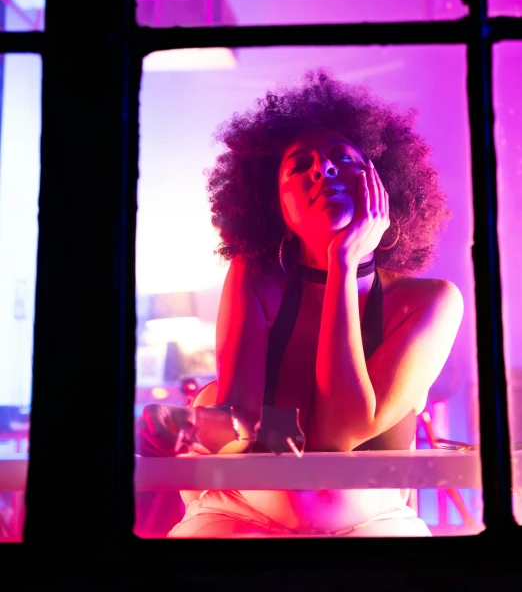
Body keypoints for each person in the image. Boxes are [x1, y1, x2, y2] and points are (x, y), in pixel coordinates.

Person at [136, 71, 463, 537]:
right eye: (299, 165)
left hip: (371, 518)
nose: (322, 169)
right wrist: (185, 426)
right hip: (239, 508)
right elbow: (241, 424)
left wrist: (345, 261)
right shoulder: (255, 275)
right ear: (277, 207)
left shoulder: (429, 301)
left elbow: (337, 435)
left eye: (342, 158)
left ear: (384, 182)